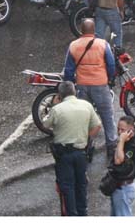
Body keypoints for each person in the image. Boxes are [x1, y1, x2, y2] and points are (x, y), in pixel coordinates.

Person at [42, 81, 103, 216]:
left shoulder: (57, 109)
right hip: (81, 152)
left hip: (63, 155)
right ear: (74, 92)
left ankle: (71, 214)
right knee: (81, 184)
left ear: (60, 95)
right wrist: (86, 140)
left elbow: (45, 124)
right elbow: (97, 126)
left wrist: (53, 105)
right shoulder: (86, 106)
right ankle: (83, 213)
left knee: (67, 187)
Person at [63, 18, 117, 161]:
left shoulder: (73, 45)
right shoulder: (102, 44)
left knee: (85, 118)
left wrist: (72, 83)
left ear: (81, 30)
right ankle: (111, 147)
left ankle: (86, 147)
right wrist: (110, 78)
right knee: (107, 116)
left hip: (82, 86)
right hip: (100, 85)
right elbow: (111, 65)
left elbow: (68, 71)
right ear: (94, 31)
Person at [108, 116, 135, 216]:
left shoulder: (133, 147)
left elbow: (118, 161)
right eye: (118, 129)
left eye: (122, 130)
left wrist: (121, 141)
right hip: (117, 188)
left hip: (124, 189)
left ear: (131, 130)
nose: (119, 132)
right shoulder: (124, 143)